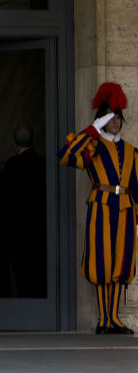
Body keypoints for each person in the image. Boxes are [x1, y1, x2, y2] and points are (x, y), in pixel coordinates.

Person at [58, 82, 135, 334]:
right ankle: (104, 319)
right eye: (111, 119)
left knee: (120, 264)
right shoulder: (93, 145)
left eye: (118, 118)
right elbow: (67, 155)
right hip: (101, 207)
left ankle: (113, 318)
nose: (116, 123)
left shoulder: (132, 152)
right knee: (102, 262)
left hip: (125, 208)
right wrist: (94, 129)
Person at [0, 126, 47, 298]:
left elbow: (2, 197)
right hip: (40, 228)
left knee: (21, 273)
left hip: (17, 230)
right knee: (39, 271)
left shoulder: (11, 166)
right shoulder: (43, 164)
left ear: (14, 144)